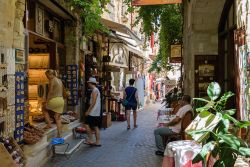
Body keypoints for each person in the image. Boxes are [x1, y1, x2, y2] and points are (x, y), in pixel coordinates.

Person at [43, 69, 64, 137]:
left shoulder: (52, 80)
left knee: (44, 108)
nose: (47, 77)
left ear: (50, 74)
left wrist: (47, 101)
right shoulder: (59, 80)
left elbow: (50, 92)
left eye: (47, 75)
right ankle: (59, 135)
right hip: (61, 100)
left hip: (55, 100)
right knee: (57, 118)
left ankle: (49, 124)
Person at [84, 77, 101, 146]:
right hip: (96, 111)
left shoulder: (94, 90)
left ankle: (91, 140)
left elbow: (93, 102)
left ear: (90, 83)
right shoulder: (96, 90)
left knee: (86, 124)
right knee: (95, 126)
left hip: (93, 112)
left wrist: (88, 111)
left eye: (88, 83)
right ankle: (97, 142)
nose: (88, 84)